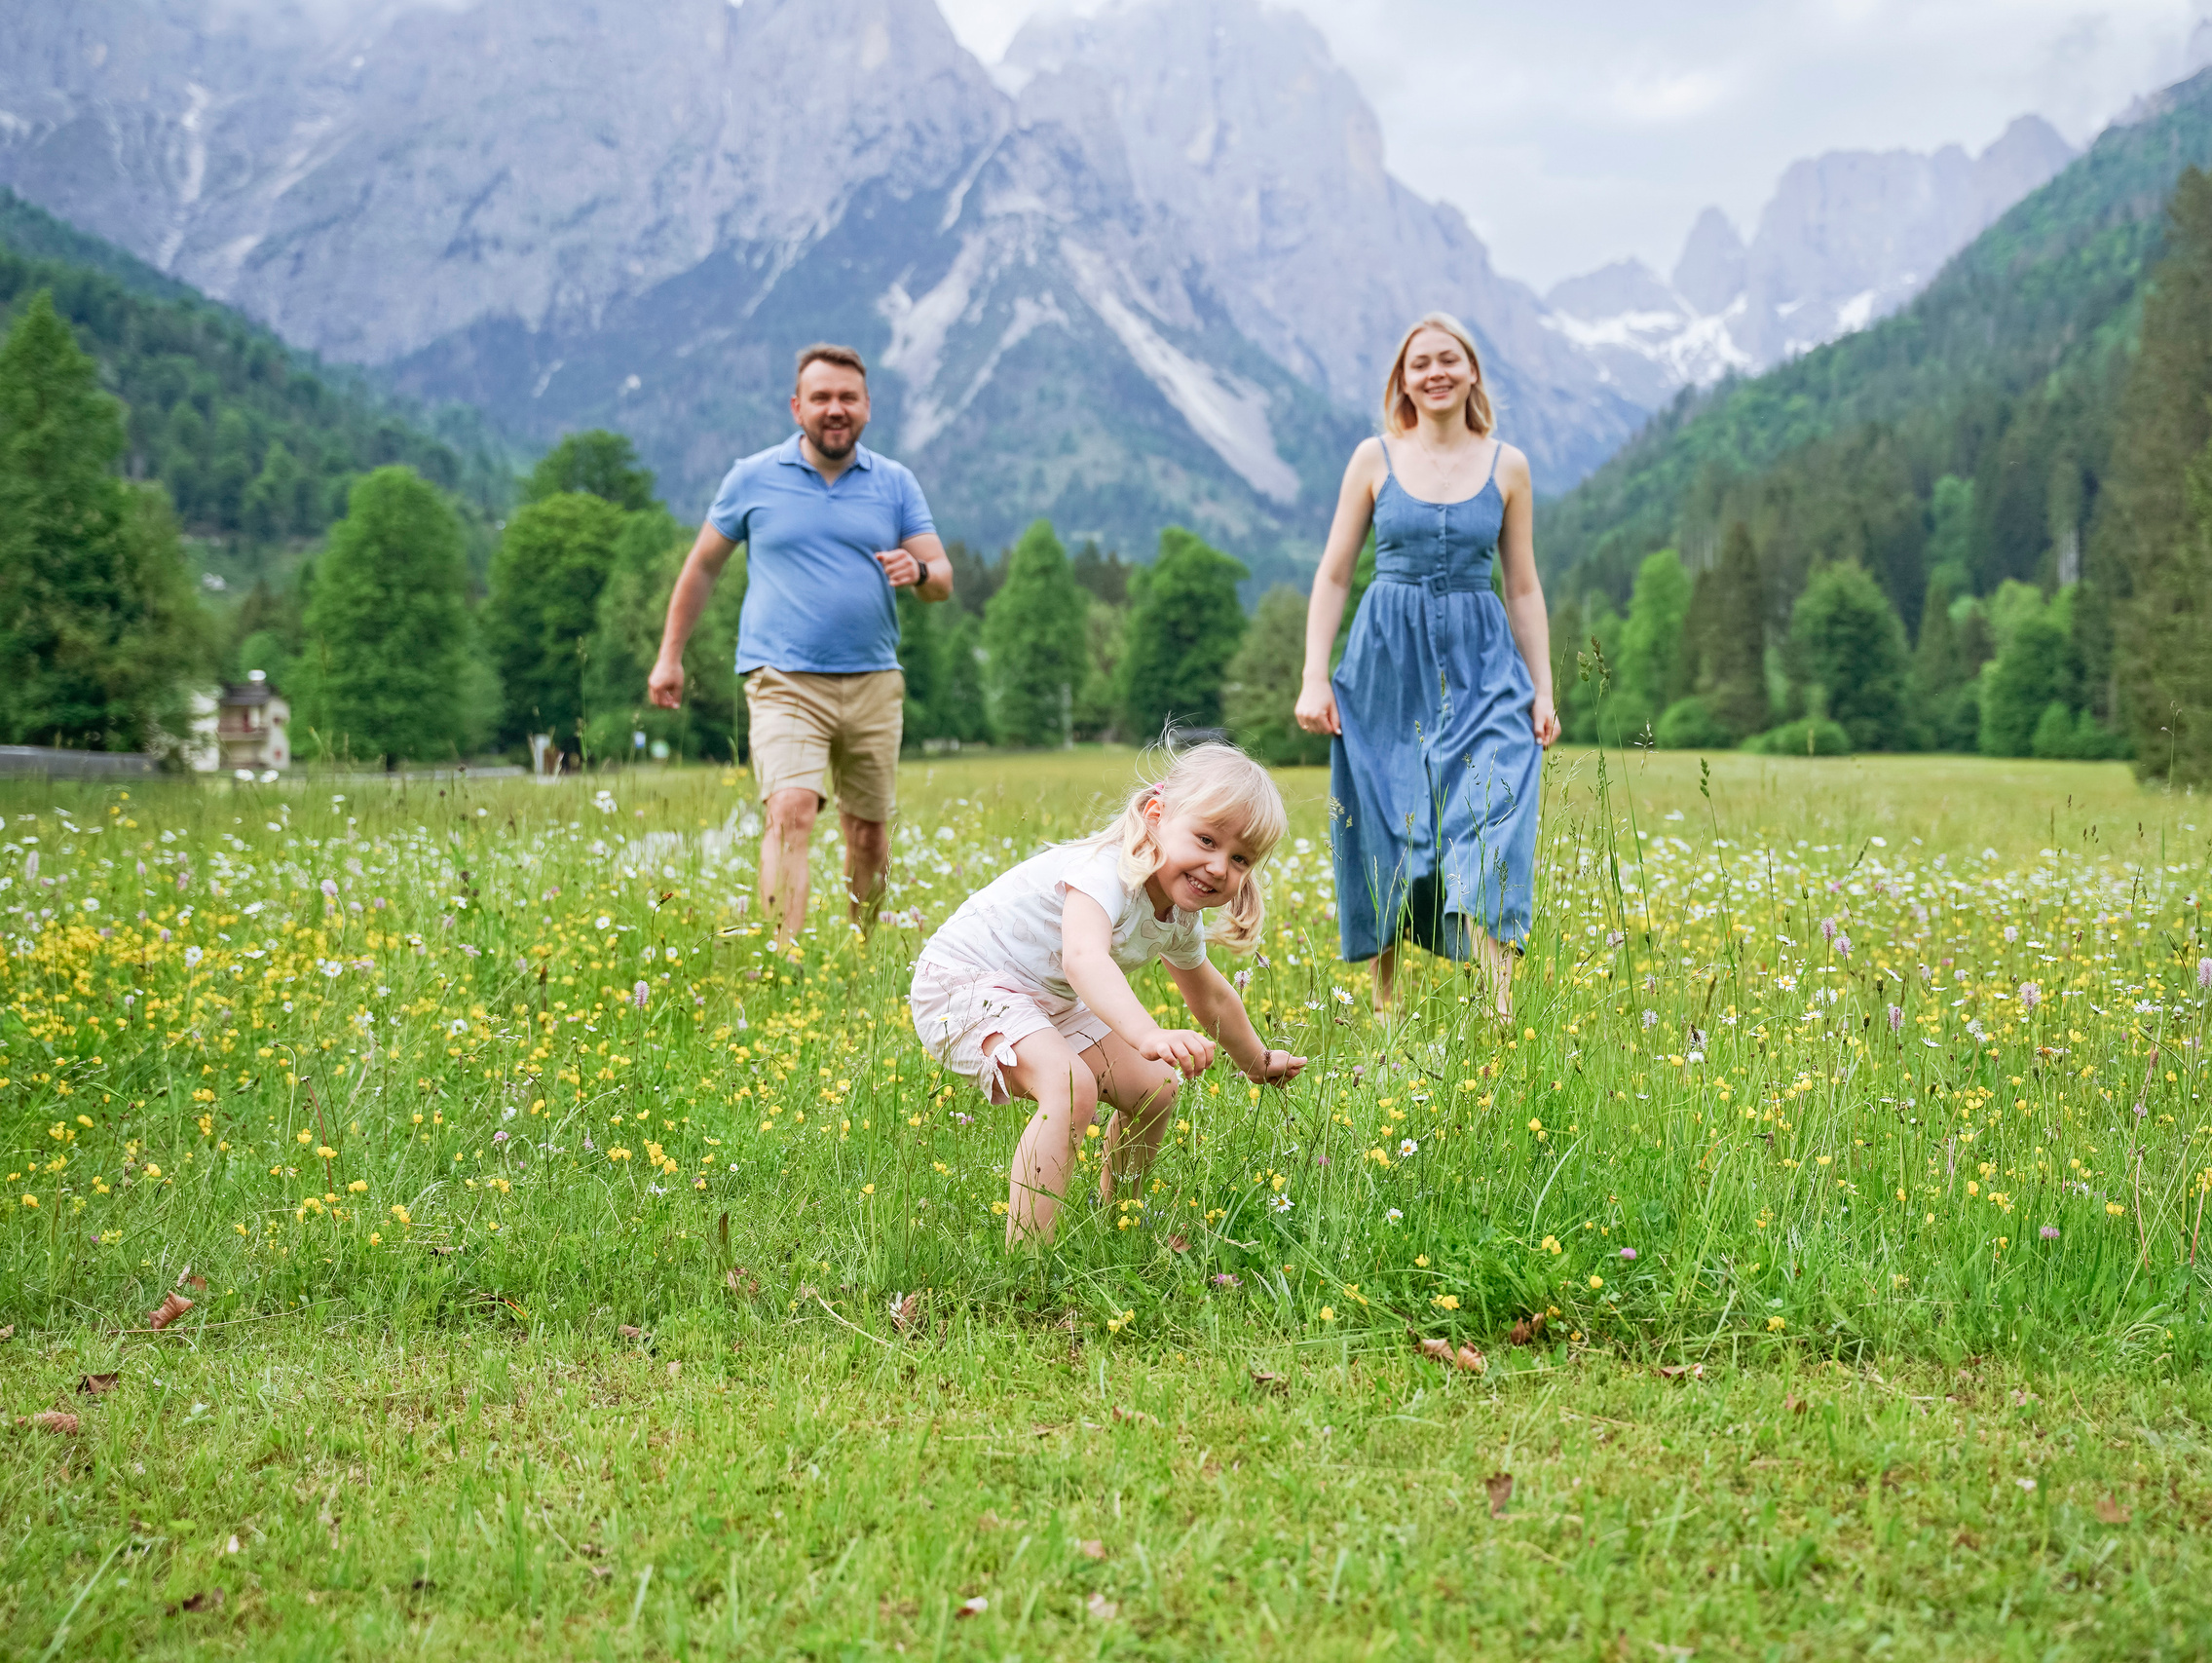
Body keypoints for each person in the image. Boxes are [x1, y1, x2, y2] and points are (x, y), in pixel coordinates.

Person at [909, 742, 1306, 1243]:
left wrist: (1255, 1060)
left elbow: (1211, 995)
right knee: (1069, 1085)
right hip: (963, 983)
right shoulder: (1107, 872)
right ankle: (1028, 1257)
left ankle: (1120, 1215)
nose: (1219, 867)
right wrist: (1145, 1031)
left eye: (1240, 858)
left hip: (1042, 998)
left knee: (1155, 1086)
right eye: (1206, 840)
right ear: (1157, 817)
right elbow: (1084, 958)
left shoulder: (1180, 915)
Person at [1293, 312, 1559, 1019]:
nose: (1435, 372)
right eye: (1421, 363)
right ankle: (1385, 1004)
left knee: (1497, 807)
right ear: (1403, 381)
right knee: (1385, 815)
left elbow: (1525, 586)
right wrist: (1314, 674)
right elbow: (1334, 574)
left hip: (1486, 664)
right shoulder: (1373, 457)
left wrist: (1543, 689)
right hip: (1385, 659)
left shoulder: (1509, 465)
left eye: (1449, 359)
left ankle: (1499, 1006)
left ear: (1472, 370)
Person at [647, 342, 953, 950]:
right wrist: (669, 656)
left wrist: (916, 573)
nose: (834, 409)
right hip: (782, 678)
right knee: (790, 810)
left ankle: (858, 946)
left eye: (847, 398)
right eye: (821, 398)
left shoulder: (894, 483)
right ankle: (781, 954)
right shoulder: (752, 477)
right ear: (797, 407)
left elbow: (940, 578)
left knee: (867, 834)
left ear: (867, 407)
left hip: (873, 681)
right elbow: (702, 568)